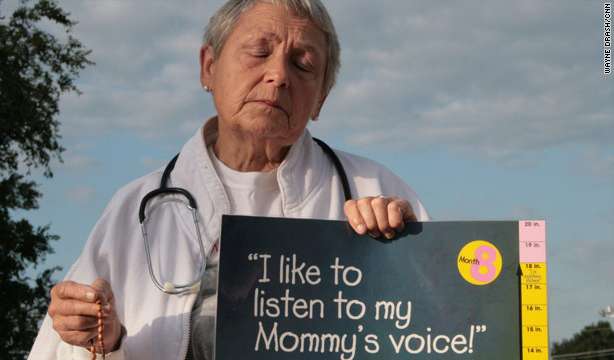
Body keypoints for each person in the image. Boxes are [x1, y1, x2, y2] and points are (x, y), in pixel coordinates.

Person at [29, 0, 430, 359]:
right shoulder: (134, 210)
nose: (278, 75)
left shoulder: (376, 190)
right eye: (259, 51)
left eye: (303, 64)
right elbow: (63, 349)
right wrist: (106, 343)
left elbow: (442, 332)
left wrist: (409, 261)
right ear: (209, 67)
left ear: (321, 99)